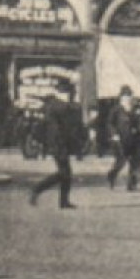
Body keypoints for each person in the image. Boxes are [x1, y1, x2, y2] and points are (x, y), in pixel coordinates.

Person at [29, 81, 85, 210]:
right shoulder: (58, 107)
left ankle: (63, 202)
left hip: (59, 144)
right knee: (64, 173)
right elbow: (57, 129)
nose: (70, 96)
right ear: (62, 93)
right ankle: (37, 189)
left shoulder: (57, 105)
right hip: (58, 144)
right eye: (68, 93)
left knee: (66, 173)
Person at [105, 86, 140, 192]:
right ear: (121, 98)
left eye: (129, 96)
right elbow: (110, 123)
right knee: (121, 161)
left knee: (134, 162)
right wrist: (114, 134)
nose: (128, 98)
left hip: (133, 139)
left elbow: (138, 123)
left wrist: (139, 129)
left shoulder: (134, 109)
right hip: (120, 139)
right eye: (126, 96)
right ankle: (111, 175)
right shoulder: (116, 110)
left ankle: (131, 185)